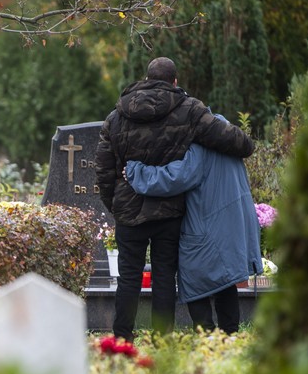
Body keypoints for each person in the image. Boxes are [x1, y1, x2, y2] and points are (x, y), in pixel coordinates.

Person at [94, 57, 254, 340]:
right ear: (174, 82)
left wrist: (116, 205)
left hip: (129, 212)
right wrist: (245, 143)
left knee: (128, 278)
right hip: (168, 212)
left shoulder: (115, 117)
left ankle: (122, 338)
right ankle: (162, 339)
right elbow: (236, 142)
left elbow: (104, 170)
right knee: (164, 277)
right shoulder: (189, 110)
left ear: (145, 79)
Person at [124, 124, 262, 333]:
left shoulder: (202, 144)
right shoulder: (227, 137)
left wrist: (137, 172)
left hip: (208, 223)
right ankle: (230, 337)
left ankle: (208, 337)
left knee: (193, 279)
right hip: (232, 222)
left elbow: (175, 178)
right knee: (226, 281)